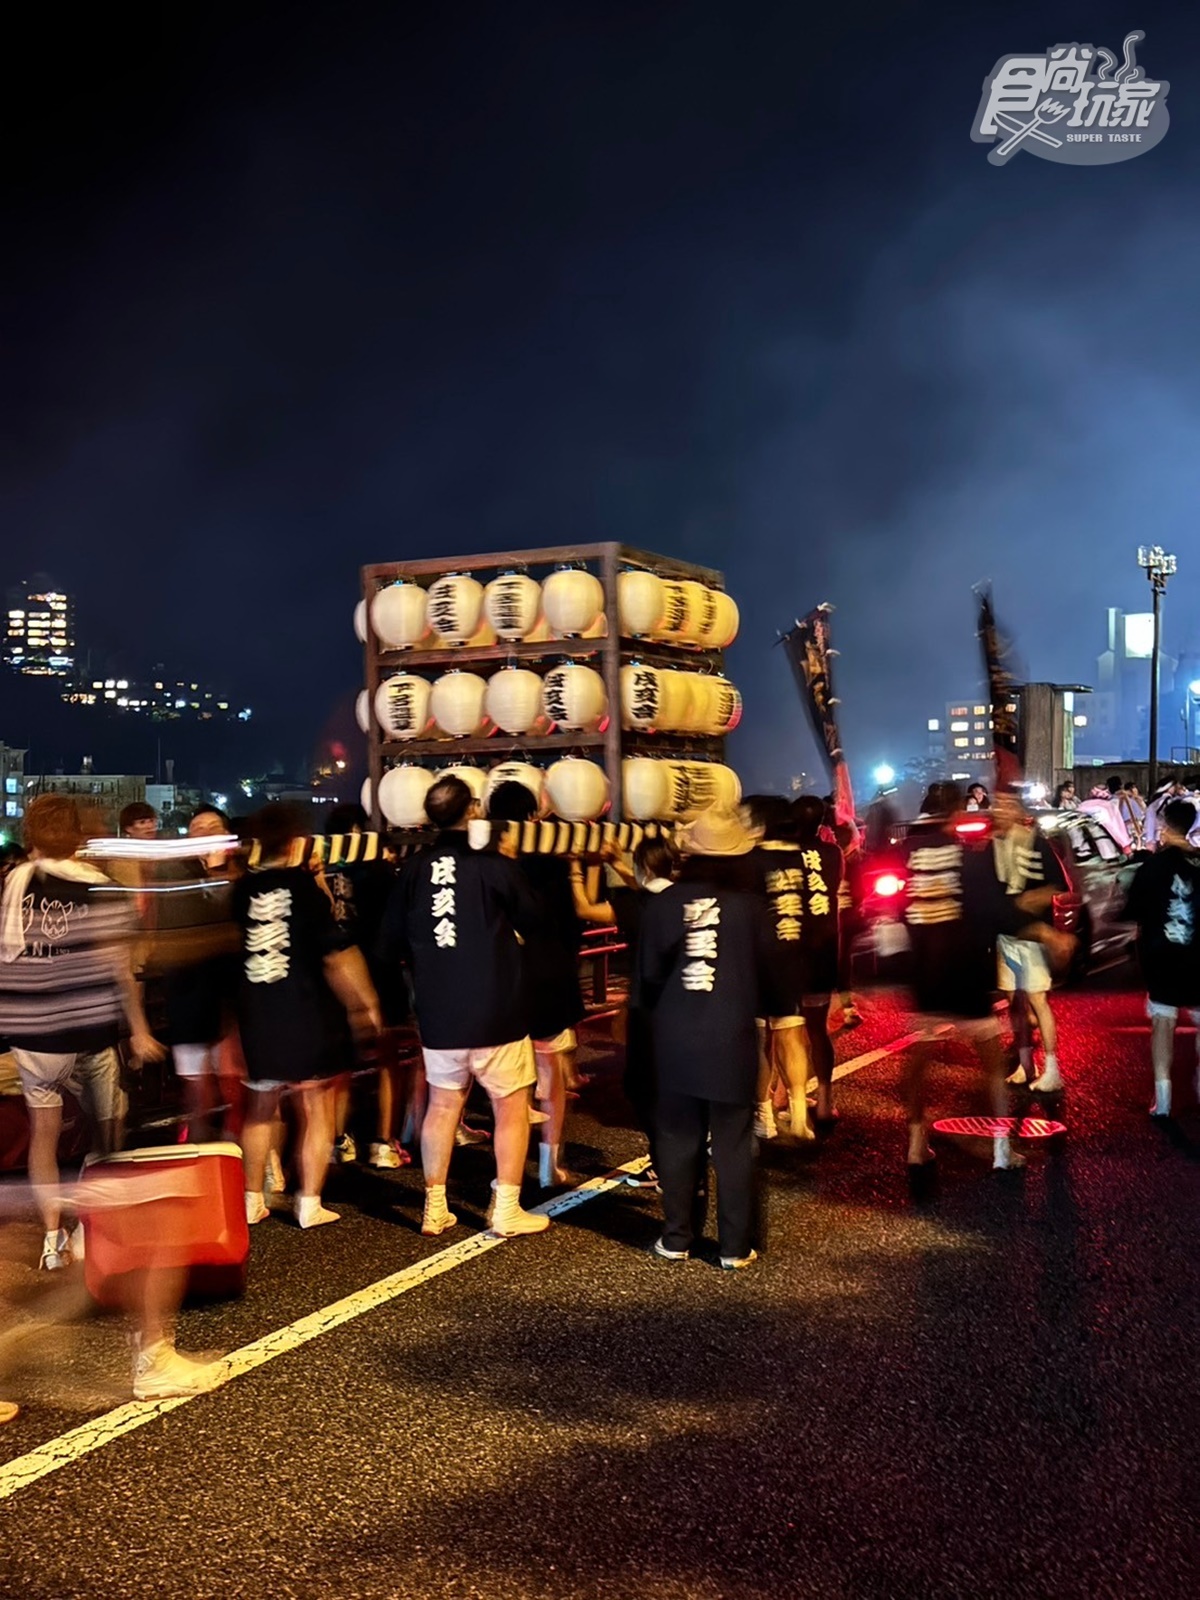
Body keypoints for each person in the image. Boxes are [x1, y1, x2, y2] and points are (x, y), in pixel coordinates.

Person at [380, 775, 549, 1239]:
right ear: (473, 811)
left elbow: (388, 940)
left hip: (439, 1011)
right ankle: (506, 1208)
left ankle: (434, 1206)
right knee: (510, 1107)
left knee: (442, 1105)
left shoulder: (413, 871)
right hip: (497, 1008)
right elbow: (534, 919)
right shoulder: (495, 866)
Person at [0, 794, 165, 1270]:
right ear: (78, 837)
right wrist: (139, 1030)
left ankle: (52, 1239)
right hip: (89, 1028)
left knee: (44, 1136)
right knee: (107, 1131)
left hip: (34, 1033)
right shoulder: (103, 888)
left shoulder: (16, 884)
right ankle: (97, 1229)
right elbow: (120, 968)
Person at [898, 782, 1073, 1181]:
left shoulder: (906, 856)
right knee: (993, 1066)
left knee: (919, 1062)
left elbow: (893, 914)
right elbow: (999, 913)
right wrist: (1048, 934)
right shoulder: (971, 861)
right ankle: (1000, 1148)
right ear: (958, 813)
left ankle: (914, 1144)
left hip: (925, 974)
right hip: (967, 974)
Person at [636, 807, 780, 1269]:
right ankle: (735, 1247)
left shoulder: (661, 904)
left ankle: (677, 1237)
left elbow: (648, 979)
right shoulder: (751, 908)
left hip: (676, 1037)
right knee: (734, 1142)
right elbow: (772, 978)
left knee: (678, 1138)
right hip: (732, 1035)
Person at [233, 804, 381, 1229]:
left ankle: (250, 1200)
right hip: (306, 1011)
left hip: (258, 1011)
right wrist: (363, 1003)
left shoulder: (244, 890)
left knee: (260, 1108)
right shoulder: (304, 890)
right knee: (315, 1106)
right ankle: (308, 1201)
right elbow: (334, 955)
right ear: (297, 843)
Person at [486, 782, 586, 1189]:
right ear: (532, 816)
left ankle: (506, 1165)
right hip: (548, 978)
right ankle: (550, 1162)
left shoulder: (486, 862)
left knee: (509, 1081)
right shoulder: (551, 861)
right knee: (551, 1074)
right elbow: (570, 923)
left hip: (502, 981)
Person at [323, 802, 410, 1170]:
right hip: (380, 969)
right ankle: (383, 1142)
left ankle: (338, 1139)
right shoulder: (379, 872)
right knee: (389, 1058)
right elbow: (398, 923)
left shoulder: (324, 872)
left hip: (334, 976)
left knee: (339, 1066)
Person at [158, 808, 240, 1143]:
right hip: (188, 997)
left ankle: (246, 1157)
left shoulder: (244, 877)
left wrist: (221, 870)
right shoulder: (174, 875)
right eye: (196, 827)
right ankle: (200, 1150)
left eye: (213, 826)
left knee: (238, 1085)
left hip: (234, 999)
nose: (204, 832)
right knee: (197, 1088)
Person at [741, 795, 816, 1142]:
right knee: (791, 1034)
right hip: (793, 955)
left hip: (755, 958)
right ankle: (799, 1113)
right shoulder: (804, 857)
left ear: (759, 823)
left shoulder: (749, 860)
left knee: (758, 1040)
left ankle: (764, 1117)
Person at [1121, 797, 1200, 1118]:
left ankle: (1163, 1099)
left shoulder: (1153, 866)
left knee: (1163, 1021)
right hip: (1199, 957)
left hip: (1163, 956)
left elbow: (1133, 911)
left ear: (1166, 826)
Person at [610, 834, 679, 1189]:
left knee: (641, 1088)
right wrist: (619, 866)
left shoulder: (635, 906)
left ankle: (666, 1165)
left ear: (643, 866)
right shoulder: (683, 899)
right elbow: (646, 888)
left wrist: (578, 870)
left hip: (647, 1012)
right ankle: (675, 1163)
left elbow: (585, 909)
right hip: (682, 1010)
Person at [991, 791, 1068, 1094]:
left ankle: (1052, 1068)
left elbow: (1059, 883)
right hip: (1006, 934)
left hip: (1033, 933)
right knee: (1013, 1002)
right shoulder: (994, 845)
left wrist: (1036, 897)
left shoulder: (1036, 842)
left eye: (1007, 805)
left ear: (1018, 811)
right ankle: (1026, 1065)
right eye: (998, 806)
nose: (1001, 810)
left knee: (1038, 999)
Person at [791, 795, 844, 1125]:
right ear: (822, 822)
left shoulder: (783, 854)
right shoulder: (833, 853)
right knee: (817, 1028)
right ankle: (824, 1100)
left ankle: (785, 1097)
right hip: (822, 948)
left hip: (789, 948)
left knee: (785, 1028)